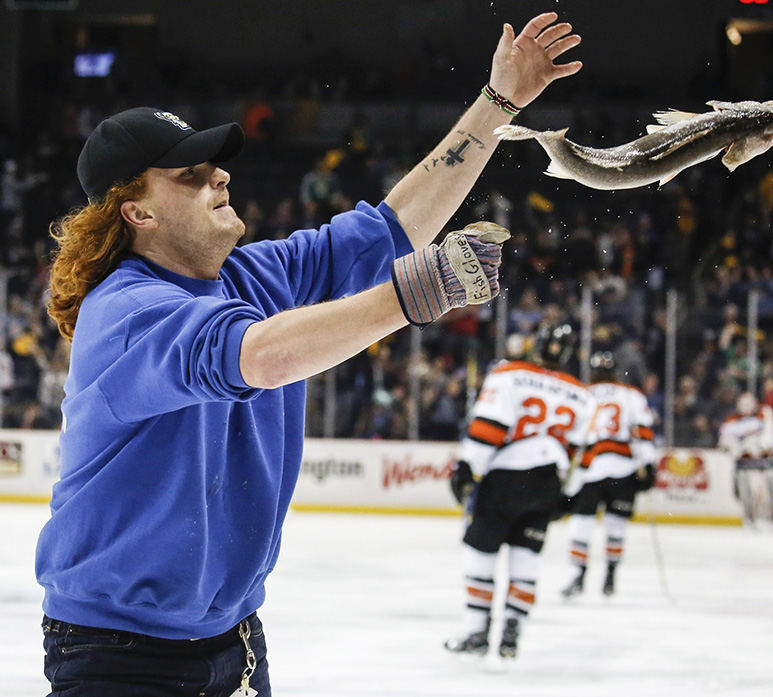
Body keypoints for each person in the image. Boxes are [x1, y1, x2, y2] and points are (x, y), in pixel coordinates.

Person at [34, 12, 583, 696]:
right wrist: (413, 292)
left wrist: (499, 102)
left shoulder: (256, 275)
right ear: (136, 213)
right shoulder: (125, 312)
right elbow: (259, 358)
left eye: (217, 166)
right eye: (191, 174)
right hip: (118, 655)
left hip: (233, 638)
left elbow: (395, 226)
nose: (221, 179)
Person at [445, 323, 593, 660]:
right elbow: (582, 453)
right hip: (547, 484)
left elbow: (489, 426)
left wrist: (467, 467)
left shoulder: (508, 374)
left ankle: (475, 630)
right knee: (526, 556)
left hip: (505, 479)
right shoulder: (581, 393)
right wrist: (571, 492)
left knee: (480, 554)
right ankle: (513, 631)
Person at [560, 351, 656, 599]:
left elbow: (571, 434)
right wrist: (648, 464)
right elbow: (641, 430)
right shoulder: (630, 394)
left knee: (581, 523)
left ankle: (578, 576)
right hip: (623, 469)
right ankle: (611, 576)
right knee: (616, 524)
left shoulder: (580, 392)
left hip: (590, 468)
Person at [718, 391, 773, 526]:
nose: (747, 407)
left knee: (771, 488)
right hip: (743, 465)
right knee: (744, 493)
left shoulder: (764, 417)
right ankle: (749, 519)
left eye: (750, 403)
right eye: (744, 404)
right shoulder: (731, 421)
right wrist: (736, 448)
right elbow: (724, 441)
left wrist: (765, 446)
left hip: (765, 464)